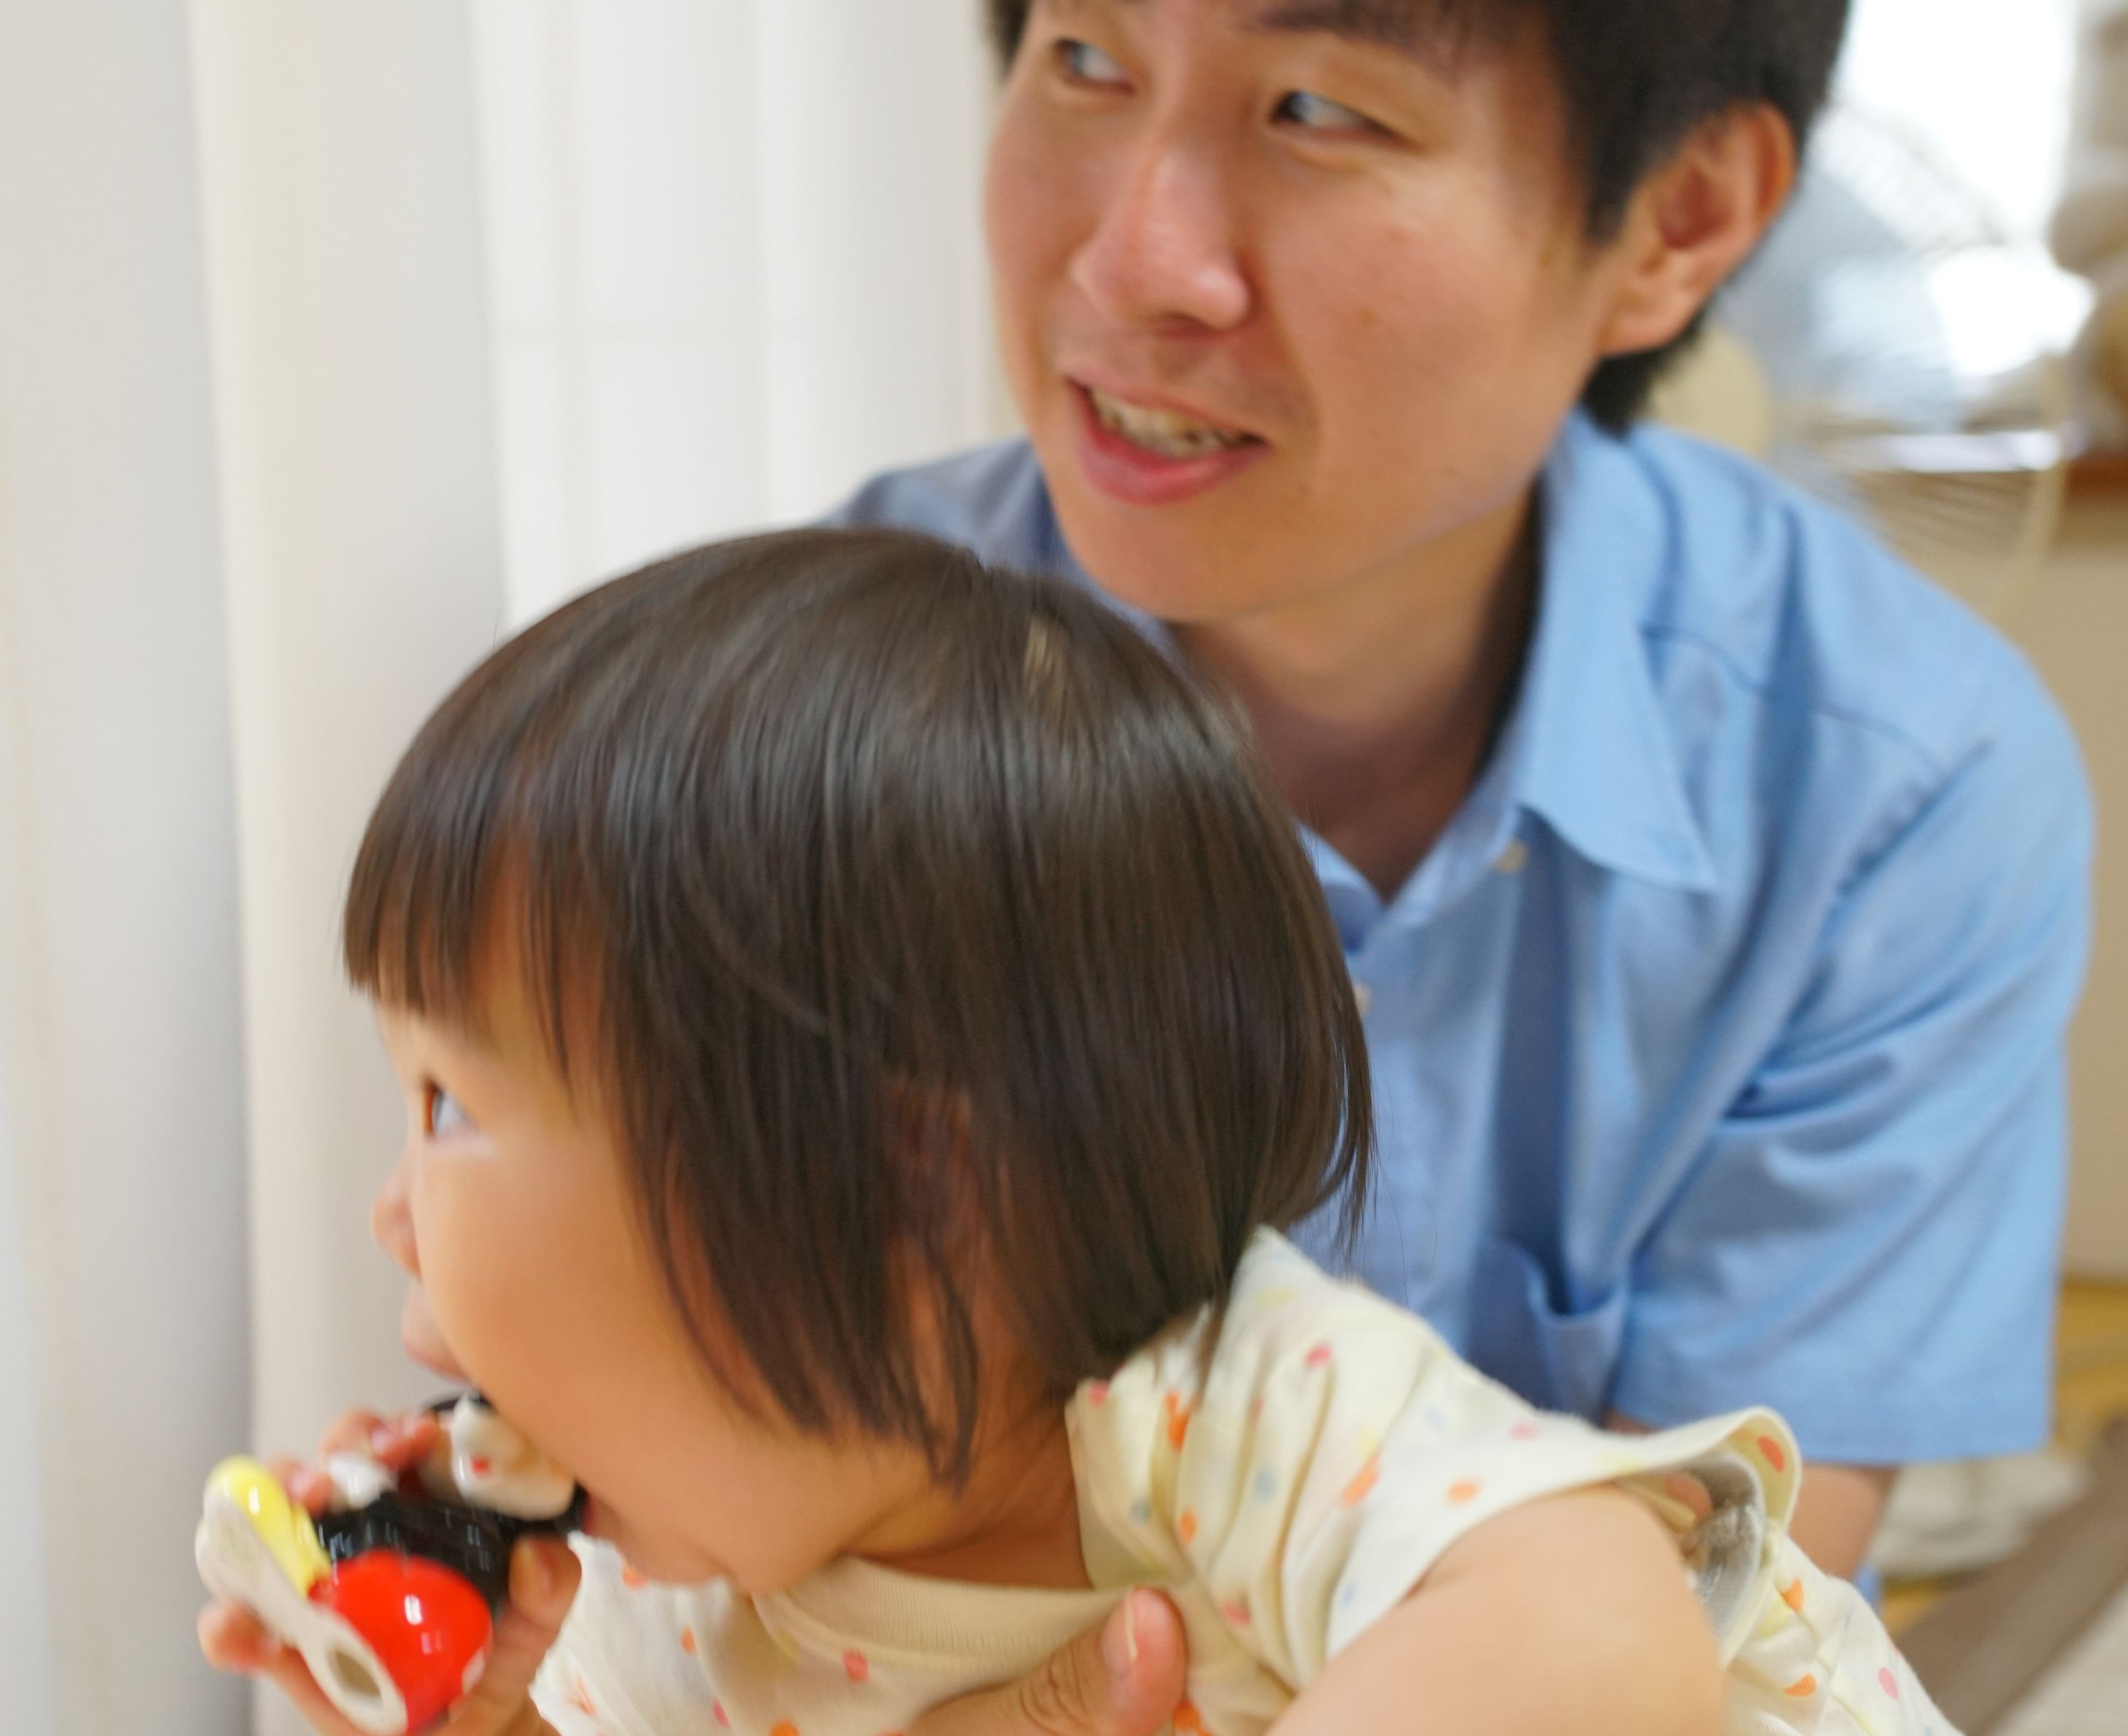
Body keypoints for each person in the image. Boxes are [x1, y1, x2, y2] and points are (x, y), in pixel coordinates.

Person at [203, 530, 1953, 1736]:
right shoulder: (658, 1595)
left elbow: (1593, 1623)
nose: (389, 1209)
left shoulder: (1227, 1418)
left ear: (902, 1190)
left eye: (450, 1102)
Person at [831, 0, 2091, 1593]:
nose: (1132, 263)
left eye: (1317, 109)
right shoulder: (778, 740)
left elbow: (1705, 1615)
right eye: (1086, 62)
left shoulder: (1886, 786)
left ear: (1677, 217)